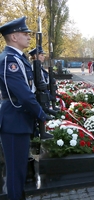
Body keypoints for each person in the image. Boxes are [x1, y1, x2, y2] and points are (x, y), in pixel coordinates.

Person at [0, 17, 49, 200]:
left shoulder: (17, 58)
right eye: (24, 33)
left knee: (19, 169)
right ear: (13, 37)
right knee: (15, 171)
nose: (28, 37)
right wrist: (41, 114)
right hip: (14, 120)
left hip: (19, 119)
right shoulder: (9, 61)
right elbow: (23, 94)